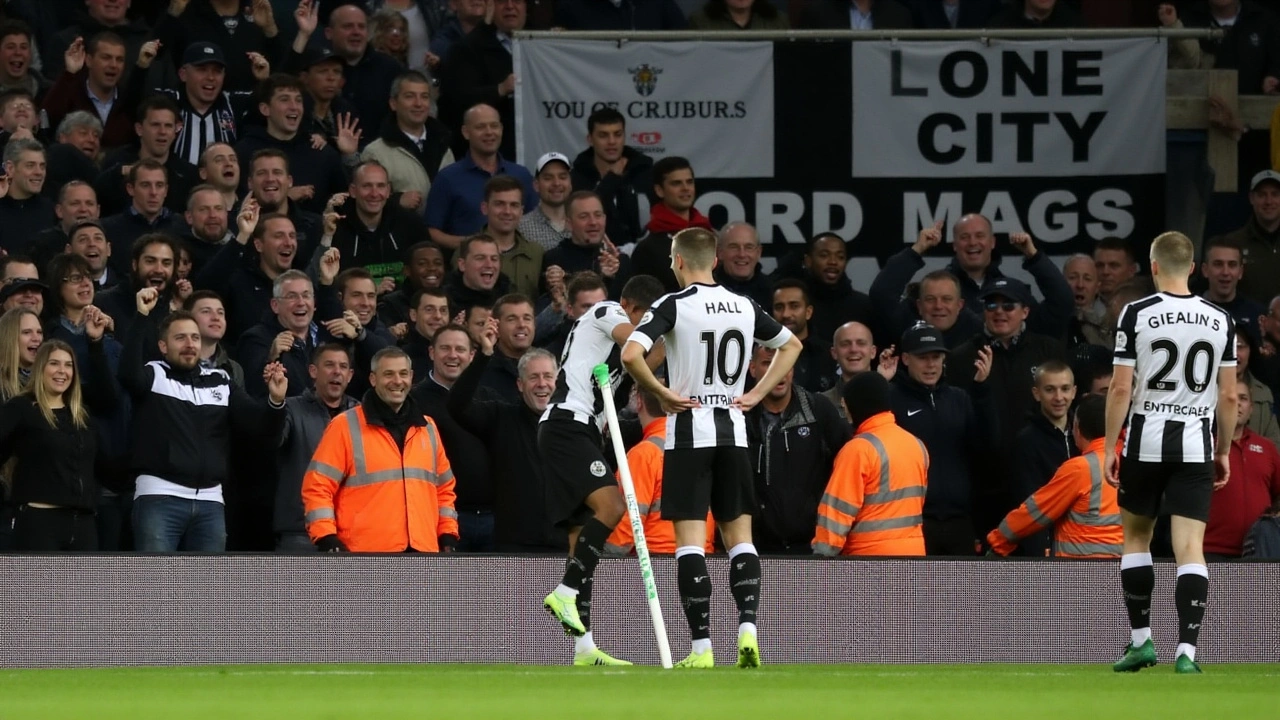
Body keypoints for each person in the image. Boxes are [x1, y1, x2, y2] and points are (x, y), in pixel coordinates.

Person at [621, 227, 802, 669]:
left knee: (689, 544)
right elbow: (792, 344)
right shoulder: (744, 305)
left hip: (688, 434)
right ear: (716, 260)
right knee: (740, 539)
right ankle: (748, 631)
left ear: (679, 260)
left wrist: (659, 391)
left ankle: (701, 648)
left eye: (670, 258)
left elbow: (630, 355)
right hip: (735, 432)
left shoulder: (672, 304)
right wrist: (756, 395)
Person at [1106, 231, 1238, 674]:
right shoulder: (1221, 319)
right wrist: (1222, 450)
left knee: (1137, 538)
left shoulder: (1136, 313)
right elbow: (1230, 396)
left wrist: (1110, 444)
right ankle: (1187, 652)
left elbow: (1122, 386)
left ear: (1154, 266)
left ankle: (1142, 641)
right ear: (1196, 268)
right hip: (1196, 444)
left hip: (1145, 440)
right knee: (1190, 548)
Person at [536, 273, 666, 666]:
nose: (648, 328)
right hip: (566, 424)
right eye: (647, 318)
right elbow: (635, 341)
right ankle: (565, 591)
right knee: (612, 505)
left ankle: (584, 647)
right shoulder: (606, 311)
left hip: (583, 430)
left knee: (581, 535)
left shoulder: (622, 351)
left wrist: (675, 339)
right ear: (632, 307)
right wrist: (658, 330)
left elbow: (647, 356)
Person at [121, 293, 289, 552]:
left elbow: (261, 430)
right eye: (180, 338)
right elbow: (127, 375)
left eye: (195, 338)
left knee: (207, 589)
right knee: (154, 586)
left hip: (211, 501)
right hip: (159, 497)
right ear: (163, 346)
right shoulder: (154, 373)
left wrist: (276, 400)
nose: (190, 344)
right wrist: (141, 316)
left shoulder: (221, 379)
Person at [302, 346, 459, 553]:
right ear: (373, 379)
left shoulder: (427, 428)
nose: (397, 381)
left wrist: (447, 533)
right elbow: (317, 486)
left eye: (403, 374)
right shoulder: (345, 426)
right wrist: (326, 536)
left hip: (423, 552)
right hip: (364, 555)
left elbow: (444, 489)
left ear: (411, 377)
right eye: (388, 374)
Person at [0, 322, 116, 550]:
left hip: (83, 524)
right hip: (39, 523)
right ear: (40, 368)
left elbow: (103, 466)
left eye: (68, 365)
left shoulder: (81, 415)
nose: (62, 371)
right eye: (54, 364)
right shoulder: (21, 408)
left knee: (82, 587)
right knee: (39, 587)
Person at [745, 344, 850, 554]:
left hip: (812, 546)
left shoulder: (818, 409)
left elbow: (849, 464)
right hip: (756, 547)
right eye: (768, 363)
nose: (778, 371)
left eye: (784, 363)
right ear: (753, 368)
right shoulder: (739, 416)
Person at [988, 394, 1122, 559]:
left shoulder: (1080, 469)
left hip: (1081, 573)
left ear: (1077, 428)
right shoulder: (1133, 464)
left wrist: (999, 541)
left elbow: (1036, 512)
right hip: (1127, 571)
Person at [813, 370, 928, 556]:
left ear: (856, 405)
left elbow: (836, 513)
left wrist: (820, 557)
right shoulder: (916, 445)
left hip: (868, 560)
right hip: (914, 555)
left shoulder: (858, 449)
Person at [605, 384, 717, 556]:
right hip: (701, 559)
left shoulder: (644, 454)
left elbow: (629, 520)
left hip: (654, 561)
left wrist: (605, 560)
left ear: (639, 402)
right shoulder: (701, 449)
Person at [274, 344, 358, 553]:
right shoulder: (292, 408)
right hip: (300, 532)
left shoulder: (361, 414)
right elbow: (269, 441)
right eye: (329, 365)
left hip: (350, 532)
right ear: (313, 371)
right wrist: (275, 403)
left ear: (350, 375)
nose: (337, 371)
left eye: (343, 366)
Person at [1205, 379, 1280, 559]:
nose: (1237, 403)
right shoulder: (1203, 445)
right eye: (1231, 397)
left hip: (1259, 552)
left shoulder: (1267, 448)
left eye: (1243, 398)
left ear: (1251, 408)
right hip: (1209, 549)